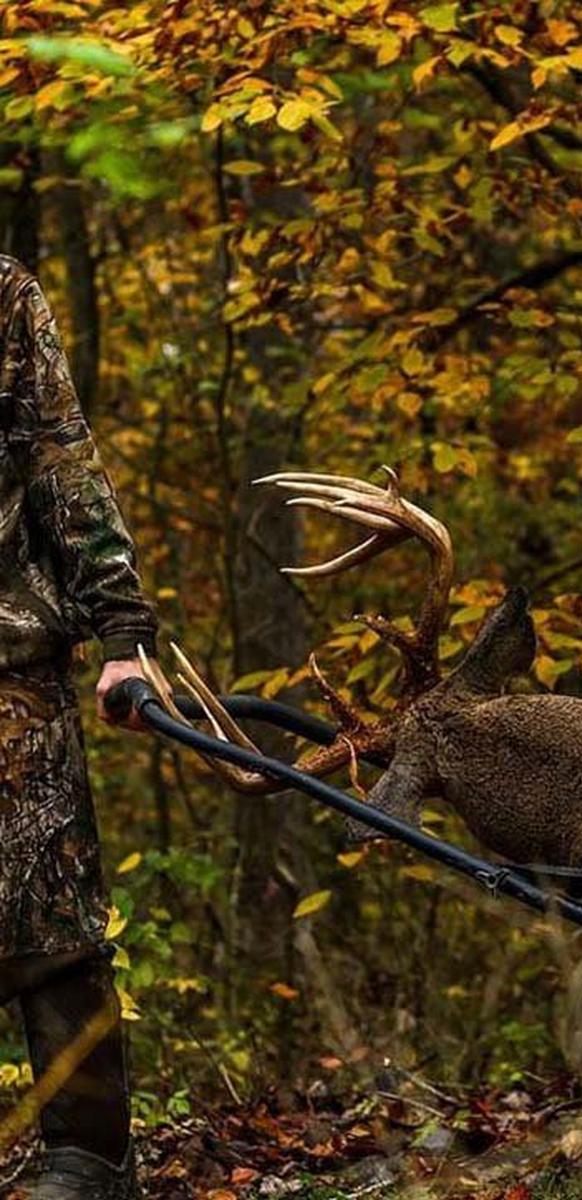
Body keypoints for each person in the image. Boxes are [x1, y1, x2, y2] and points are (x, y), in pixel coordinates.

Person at [0, 254, 155, 1199]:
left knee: (49, 912)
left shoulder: (3, 296)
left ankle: (91, 1157)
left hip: (10, 663)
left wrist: (123, 631)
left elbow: (63, 457)